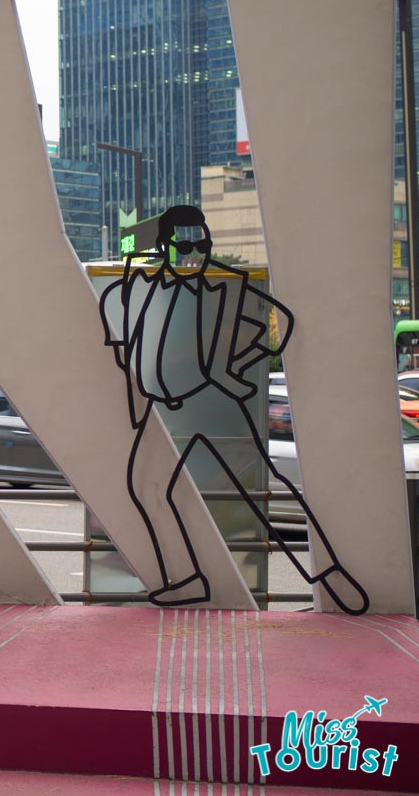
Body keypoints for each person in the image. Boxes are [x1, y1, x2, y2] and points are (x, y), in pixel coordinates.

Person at [99, 205, 368, 614]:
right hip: (166, 410)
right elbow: (120, 339)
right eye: (182, 245)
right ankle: (189, 578)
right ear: (163, 247)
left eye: (200, 243)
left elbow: (283, 325)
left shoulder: (227, 287)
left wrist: (235, 369)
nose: (192, 254)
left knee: (265, 478)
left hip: (215, 401)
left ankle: (329, 575)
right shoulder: (138, 289)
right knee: (147, 487)